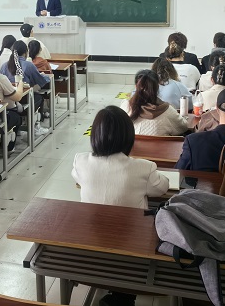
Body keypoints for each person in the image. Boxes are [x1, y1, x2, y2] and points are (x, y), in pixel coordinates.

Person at [72, 105, 168, 306]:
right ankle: (123, 296)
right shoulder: (144, 167)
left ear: (95, 135)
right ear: (128, 137)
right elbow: (162, 188)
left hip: (89, 243)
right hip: (132, 250)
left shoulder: (80, 161)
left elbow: (77, 178)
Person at [121, 70, 188, 136]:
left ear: (136, 86)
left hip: (133, 143)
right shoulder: (168, 111)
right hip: (161, 144)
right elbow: (183, 127)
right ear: (158, 87)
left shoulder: (125, 106)